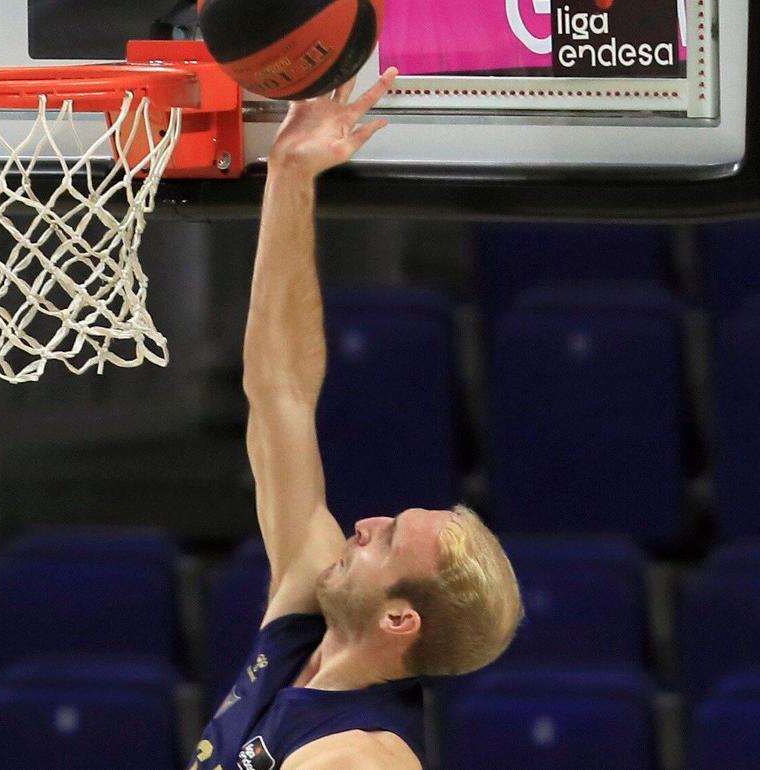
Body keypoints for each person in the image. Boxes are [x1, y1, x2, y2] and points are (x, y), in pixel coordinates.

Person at [187, 69, 525, 770]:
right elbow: (279, 387)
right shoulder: (307, 614)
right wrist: (290, 172)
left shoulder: (361, 758)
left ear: (399, 621)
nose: (364, 523)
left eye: (387, 540)